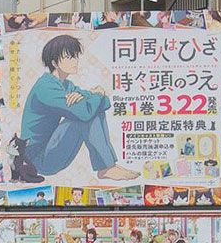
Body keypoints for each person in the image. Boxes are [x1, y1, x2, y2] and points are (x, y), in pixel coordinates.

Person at [15, 32, 137, 182]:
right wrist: (98, 93)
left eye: (75, 56)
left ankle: (107, 167)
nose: (75, 61)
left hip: (53, 149)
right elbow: (86, 112)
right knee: (85, 115)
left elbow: (104, 104)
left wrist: (96, 95)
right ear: (54, 63)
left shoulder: (67, 85)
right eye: (68, 57)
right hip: (38, 159)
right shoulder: (46, 88)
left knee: (91, 110)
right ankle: (106, 167)